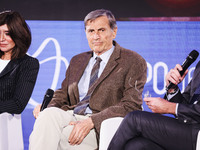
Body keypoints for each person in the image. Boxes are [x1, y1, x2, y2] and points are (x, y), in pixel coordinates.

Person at [29, 9, 147, 150]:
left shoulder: (132, 60)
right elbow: (63, 93)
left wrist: (92, 121)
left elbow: (131, 105)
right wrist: (46, 107)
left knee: (59, 137)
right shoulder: (77, 60)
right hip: (72, 114)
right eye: (91, 31)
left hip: (101, 123)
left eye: (101, 30)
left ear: (114, 32)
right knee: (46, 117)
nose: (95, 36)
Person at [108, 61, 200, 150]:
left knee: (134, 119)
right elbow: (186, 108)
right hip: (189, 129)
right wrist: (172, 89)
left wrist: (170, 107)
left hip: (197, 134)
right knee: (136, 146)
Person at [0, 10, 39, 114]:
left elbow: (18, 104)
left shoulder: (28, 63)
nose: (1, 39)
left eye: (7, 34)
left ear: (18, 35)